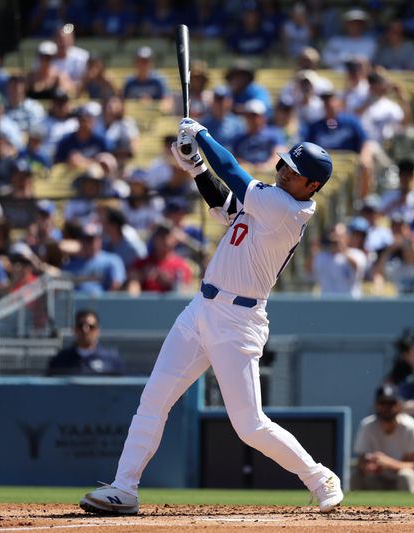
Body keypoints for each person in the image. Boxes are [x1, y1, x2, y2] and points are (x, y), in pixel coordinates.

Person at [80, 119, 343, 515]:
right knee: (154, 398)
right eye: (286, 166)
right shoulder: (270, 200)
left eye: (297, 173)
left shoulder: (288, 210)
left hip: (238, 322)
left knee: (249, 425)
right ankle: (124, 488)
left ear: (313, 186)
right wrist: (197, 168)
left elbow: (234, 174)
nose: (287, 173)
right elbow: (224, 204)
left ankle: (320, 477)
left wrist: (201, 135)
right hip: (201, 309)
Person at [352, 384, 414, 493]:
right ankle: (361, 509)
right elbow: (361, 460)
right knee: (356, 476)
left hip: (400, 475)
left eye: (391, 403)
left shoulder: (410, 426)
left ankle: (409, 509)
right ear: (376, 405)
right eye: (382, 403)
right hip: (378, 477)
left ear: (399, 405)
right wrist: (368, 466)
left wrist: (388, 463)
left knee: (406, 475)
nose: (386, 407)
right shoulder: (367, 425)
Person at [48, 309, 123, 376]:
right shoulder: (61, 359)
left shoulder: (111, 359)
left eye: (91, 326)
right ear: (74, 330)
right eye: (80, 326)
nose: (85, 330)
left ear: (98, 330)